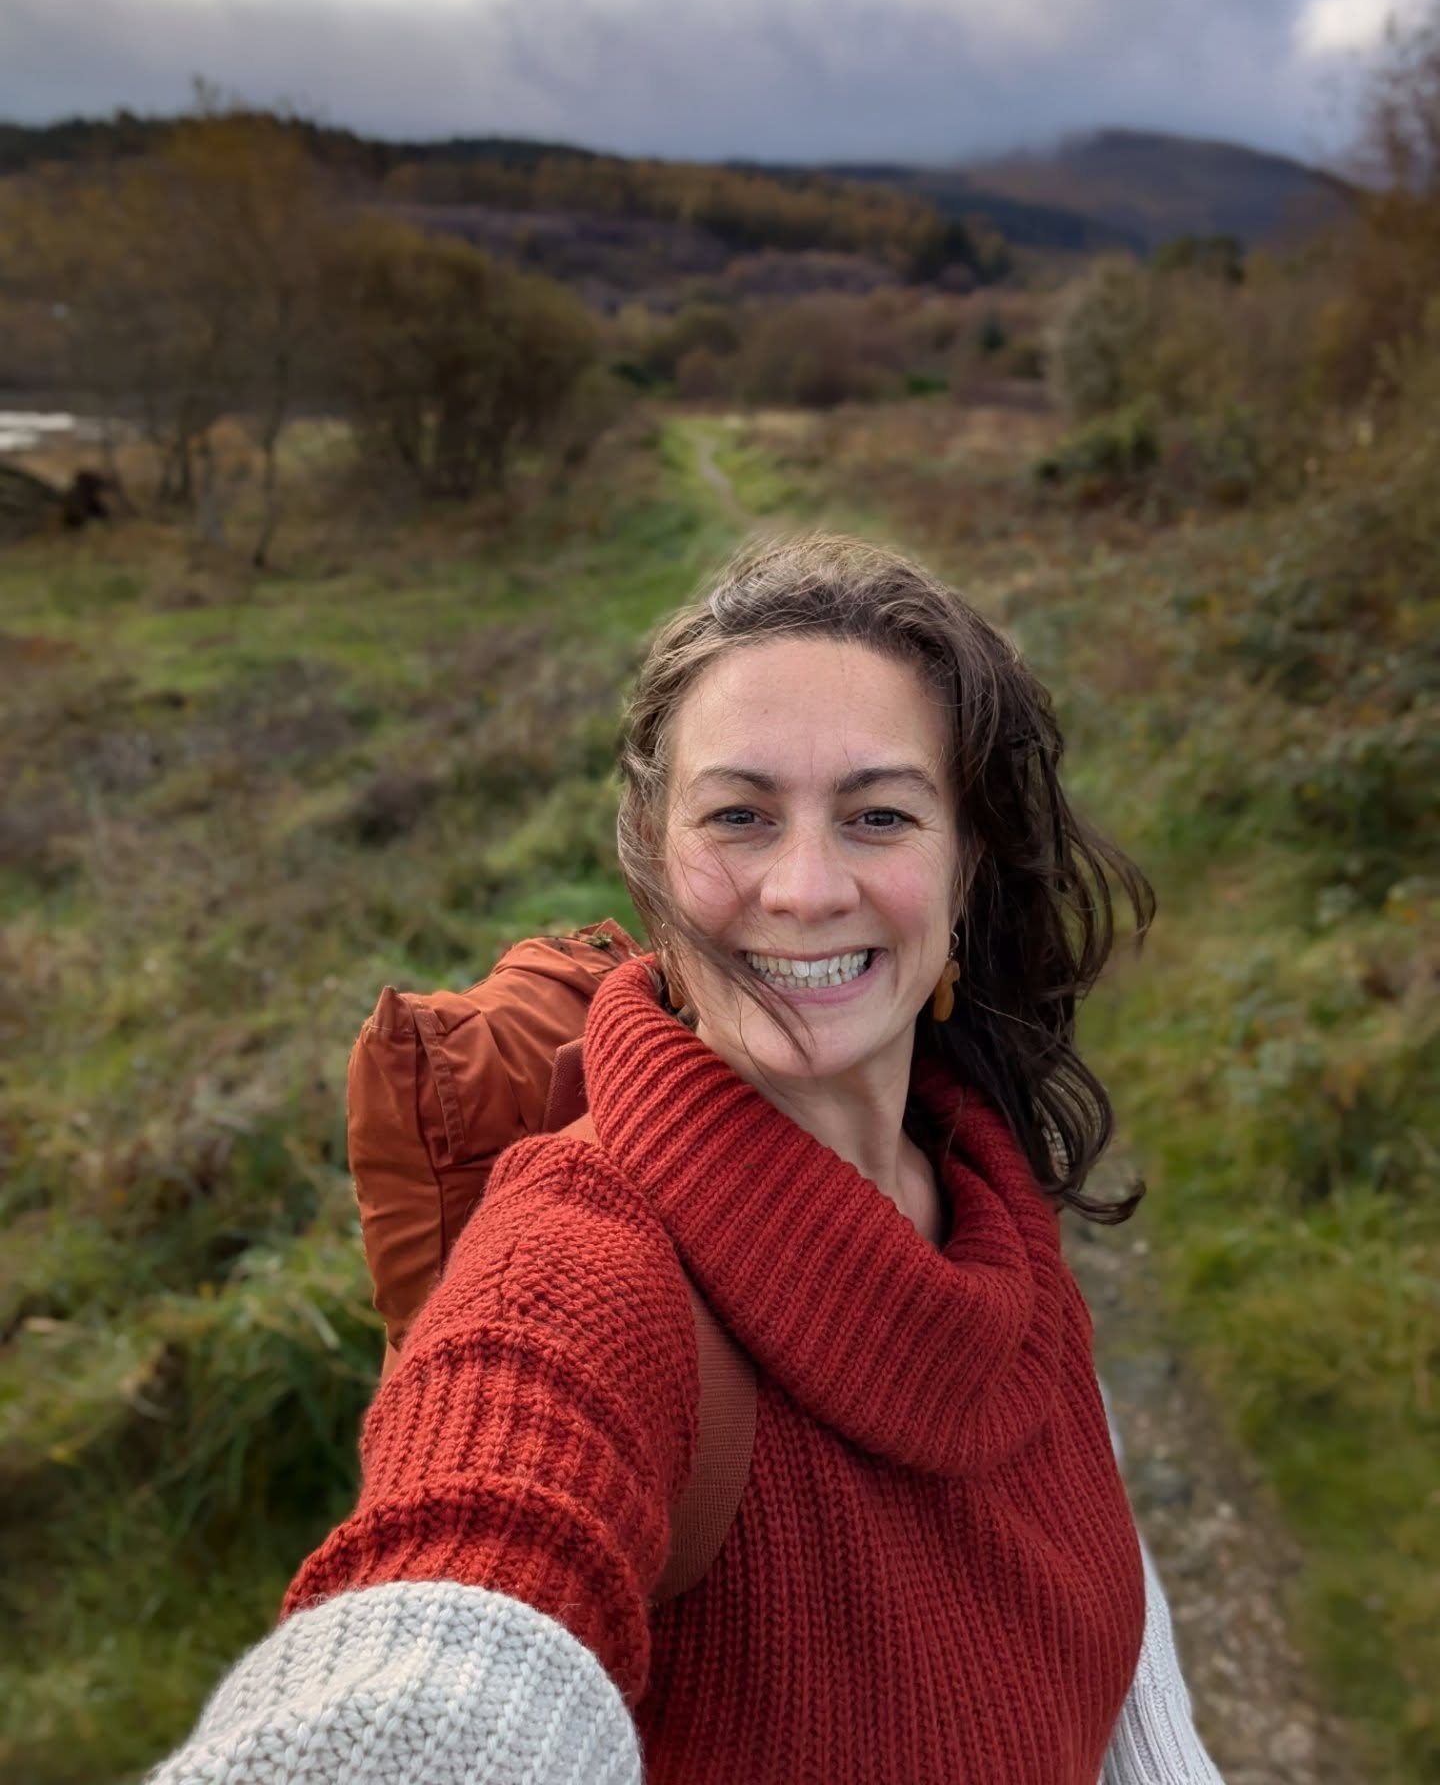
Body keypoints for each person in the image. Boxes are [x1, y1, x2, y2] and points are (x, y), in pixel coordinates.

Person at [153, 533, 1224, 1784]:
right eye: (740, 817)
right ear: (653, 861)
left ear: (966, 869)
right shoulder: (575, 1274)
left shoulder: (994, 1209)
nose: (805, 887)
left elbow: (1101, 1655)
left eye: (879, 814)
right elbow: (442, 1649)